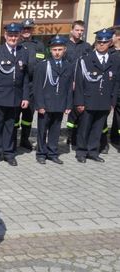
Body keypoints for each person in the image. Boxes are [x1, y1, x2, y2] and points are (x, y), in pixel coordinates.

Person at [0, 22, 30, 167]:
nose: (13, 38)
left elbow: (26, 77)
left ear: (19, 36)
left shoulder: (24, 51)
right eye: (10, 35)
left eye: (15, 35)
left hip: (15, 97)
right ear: (5, 36)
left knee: (11, 127)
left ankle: (9, 153)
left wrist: (25, 97)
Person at [73, 29, 119, 163]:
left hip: (104, 101)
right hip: (88, 100)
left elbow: (115, 83)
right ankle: (81, 152)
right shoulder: (86, 59)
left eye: (105, 42)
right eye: (99, 42)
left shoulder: (114, 60)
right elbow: (79, 83)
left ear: (110, 43)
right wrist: (79, 102)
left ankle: (93, 151)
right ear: (96, 42)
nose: (101, 45)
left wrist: (112, 102)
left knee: (98, 128)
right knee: (84, 128)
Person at [33, 35, 74, 164]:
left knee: (55, 130)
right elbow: (37, 87)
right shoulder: (43, 65)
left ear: (64, 50)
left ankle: (52, 152)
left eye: (60, 49)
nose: (57, 52)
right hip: (45, 104)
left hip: (59, 103)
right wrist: (40, 105)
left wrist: (68, 104)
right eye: (55, 49)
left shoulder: (68, 66)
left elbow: (69, 87)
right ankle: (41, 153)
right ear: (50, 50)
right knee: (42, 130)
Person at [16, 18, 46, 150]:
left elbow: (44, 64)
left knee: (28, 116)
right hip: (19, 85)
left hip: (33, 85)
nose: (26, 31)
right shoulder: (16, 43)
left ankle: (24, 139)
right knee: (15, 115)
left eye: (29, 28)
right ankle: (11, 140)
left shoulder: (39, 45)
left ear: (32, 30)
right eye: (24, 28)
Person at [65, 20, 93, 148]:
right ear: (71, 30)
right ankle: (69, 136)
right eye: (77, 30)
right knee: (69, 110)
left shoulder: (86, 46)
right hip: (66, 82)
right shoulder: (65, 45)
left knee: (80, 110)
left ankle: (77, 137)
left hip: (81, 84)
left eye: (82, 30)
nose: (79, 33)